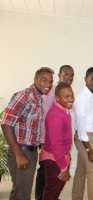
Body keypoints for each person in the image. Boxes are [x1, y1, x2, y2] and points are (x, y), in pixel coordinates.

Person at [1, 67, 54, 200]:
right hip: (21, 151)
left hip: (30, 151)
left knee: (21, 190)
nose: (48, 84)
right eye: (44, 80)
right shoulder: (24, 96)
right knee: (22, 194)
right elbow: (6, 123)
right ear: (35, 79)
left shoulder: (38, 98)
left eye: (50, 81)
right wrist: (18, 154)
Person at [35, 65, 74, 200]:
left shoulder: (63, 109)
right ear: (57, 98)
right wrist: (63, 167)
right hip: (53, 157)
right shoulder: (56, 115)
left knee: (53, 189)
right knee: (51, 190)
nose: (71, 98)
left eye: (72, 95)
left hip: (58, 154)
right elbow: (56, 143)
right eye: (67, 96)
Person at [72, 67, 93, 200]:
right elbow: (82, 128)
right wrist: (89, 149)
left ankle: (76, 197)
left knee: (81, 171)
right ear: (85, 79)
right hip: (85, 137)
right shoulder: (81, 98)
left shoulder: (92, 94)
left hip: (86, 136)